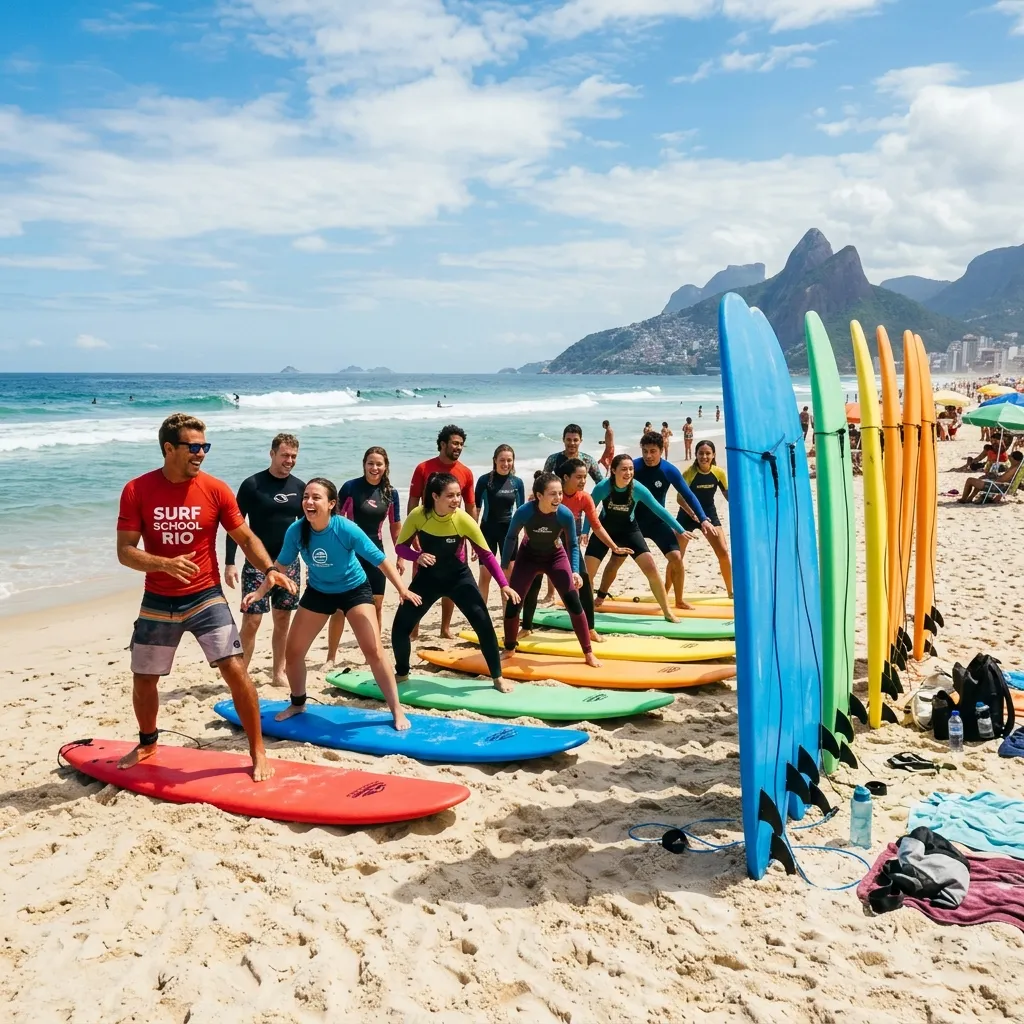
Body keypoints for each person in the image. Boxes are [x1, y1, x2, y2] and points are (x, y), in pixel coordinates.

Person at [116, 412, 297, 781]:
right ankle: (148, 742)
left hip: (205, 596)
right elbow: (125, 551)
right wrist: (163, 564)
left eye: (205, 446)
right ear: (169, 448)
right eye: (194, 447)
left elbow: (245, 537)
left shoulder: (215, 489)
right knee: (144, 677)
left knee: (235, 668)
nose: (201, 453)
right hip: (158, 598)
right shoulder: (137, 489)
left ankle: (257, 750)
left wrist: (269, 569)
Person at [243, 477, 414, 730]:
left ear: (332, 503)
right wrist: (259, 593)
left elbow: (380, 560)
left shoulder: (345, 528)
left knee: (373, 650)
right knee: (293, 652)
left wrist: (402, 589)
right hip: (319, 591)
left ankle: (397, 710)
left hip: (354, 590)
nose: (308, 502)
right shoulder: (296, 531)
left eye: (316, 497)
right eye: (306, 497)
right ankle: (298, 703)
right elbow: (279, 567)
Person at [392, 473, 518, 691]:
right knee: (400, 628)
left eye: (458, 495)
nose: (456, 500)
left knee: (484, 626)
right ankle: (402, 673)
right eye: (450, 496)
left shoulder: (463, 519)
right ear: (435, 496)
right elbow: (400, 547)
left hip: (459, 579)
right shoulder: (419, 515)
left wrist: (503, 584)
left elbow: (486, 554)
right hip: (428, 579)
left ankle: (497, 678)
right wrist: (416, 556)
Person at [595, 432, 715, 609]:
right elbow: (610, 488)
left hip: (657, 522)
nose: (648, 456)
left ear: (662, 450)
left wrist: (703, 518)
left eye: (653, 451)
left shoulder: (668, 470)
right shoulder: (633, 467)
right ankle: (600, 597)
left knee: (676, 557)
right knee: (617, 559)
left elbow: (688, 494)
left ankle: (679, 600)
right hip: (633, 524)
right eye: (645, 451)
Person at [224, 433, 304, 687]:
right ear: (272, 454)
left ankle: (278, 673)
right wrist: (229, 562)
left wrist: (313, 562)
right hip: (256, 563)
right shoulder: (252, 485)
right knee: (252, 620)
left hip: (288, 563)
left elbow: (306, 529)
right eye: (284, 455)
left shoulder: (299, 488)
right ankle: (241, 675)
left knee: (282, 619)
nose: (289, 460)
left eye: (293, 456)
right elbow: (234, 526)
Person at [501, 472, 604, 668]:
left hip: (555, 557)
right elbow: (511, 537)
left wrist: (575, 570)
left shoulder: (564, 514)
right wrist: (505, 564)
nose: (558, 498)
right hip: (528, 558)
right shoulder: (524, 512)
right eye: (553, 494)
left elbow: (572, 544)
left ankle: (588, 652)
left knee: (573, 602)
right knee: (514, 602)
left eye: (560, 493)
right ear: (539, 495)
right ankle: (509, 648)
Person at [520, 459, 632, 636]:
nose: (583, 481)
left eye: (585, 477)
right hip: (543, 542)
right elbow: (529, 522)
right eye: (578, 477)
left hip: (569, 543)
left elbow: (596, 526)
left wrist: (614, 547)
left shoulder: (584, 498)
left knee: (584, 581)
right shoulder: (550, 493)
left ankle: (590, 629)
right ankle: (526, 627)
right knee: (534, 583)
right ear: (566, 477)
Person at [324, 446, 404, 665]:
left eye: (379, 464)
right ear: (364, 464)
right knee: (339, 607)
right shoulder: (350, 488)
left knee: (376, 605)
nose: (374, 468)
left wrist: (400, 555)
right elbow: (334, 521)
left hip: (375, 553)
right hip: (349, 554)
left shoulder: (391, 493)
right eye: (370, 463)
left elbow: (395, 527)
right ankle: (331, 657)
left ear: (385, 466)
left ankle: (373, 655)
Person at [584, 454, 686, 622]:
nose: (628, 473)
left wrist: (680, 529)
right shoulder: (603, 487)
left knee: (651, 568)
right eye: (624, 469)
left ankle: (667, 611)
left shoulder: (637, 488)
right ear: (613, 470)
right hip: (604, 531)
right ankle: (584, 610)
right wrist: (585, 531)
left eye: (631, 469)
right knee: (587, 574)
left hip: (629, 532)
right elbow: (590, 509)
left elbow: (658, 509)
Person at [408, 425, 475, 639]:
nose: (458, 447)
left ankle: (445, 629)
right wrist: (412, 532)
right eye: (454, 443)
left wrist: (473, 536)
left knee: (452, 579)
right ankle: (413, 629)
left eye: (461, 444)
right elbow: (413, 501)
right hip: (426, 534)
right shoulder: (423, 468)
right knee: (419, 580)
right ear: (443, 444)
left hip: (455, 535)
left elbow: (471, 506)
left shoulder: (465, 472)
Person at [673, 440, 733, 598]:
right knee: (676, 556)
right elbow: (680, 498)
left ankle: (730, 592)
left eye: (708, 453)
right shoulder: (689, 473)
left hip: (709, 514)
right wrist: (694, 514)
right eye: (701, 453)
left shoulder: (718, 473)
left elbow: (728, 495)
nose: (704, 456)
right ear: (696, 454)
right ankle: (666, 592)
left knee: (723, 552)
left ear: (713, 455)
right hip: (687, 515)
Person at [473, 444, 525, 604]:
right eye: (502, 460)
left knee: (508, 577)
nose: (506, 463)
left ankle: (507, 614)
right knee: (485, 575)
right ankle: (482, 615)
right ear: (495, 460)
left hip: (509, 534)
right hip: (486, 532)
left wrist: (525, 534)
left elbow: (522, 511)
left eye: (509, 460)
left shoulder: (517, 482)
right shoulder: (484, 481)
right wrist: (473, 538)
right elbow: (476, 510)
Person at [959, 452, 1024, 503]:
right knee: (982, 478)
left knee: (970, 480)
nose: (1009, 456)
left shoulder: (1014, 469)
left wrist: (991, 479)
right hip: (1001, 486)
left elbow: (1002, 480)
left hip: (996, 487)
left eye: (1010, 456)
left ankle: (963, 499)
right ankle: (970, 498)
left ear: (1013, 459)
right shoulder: (1017, 467)